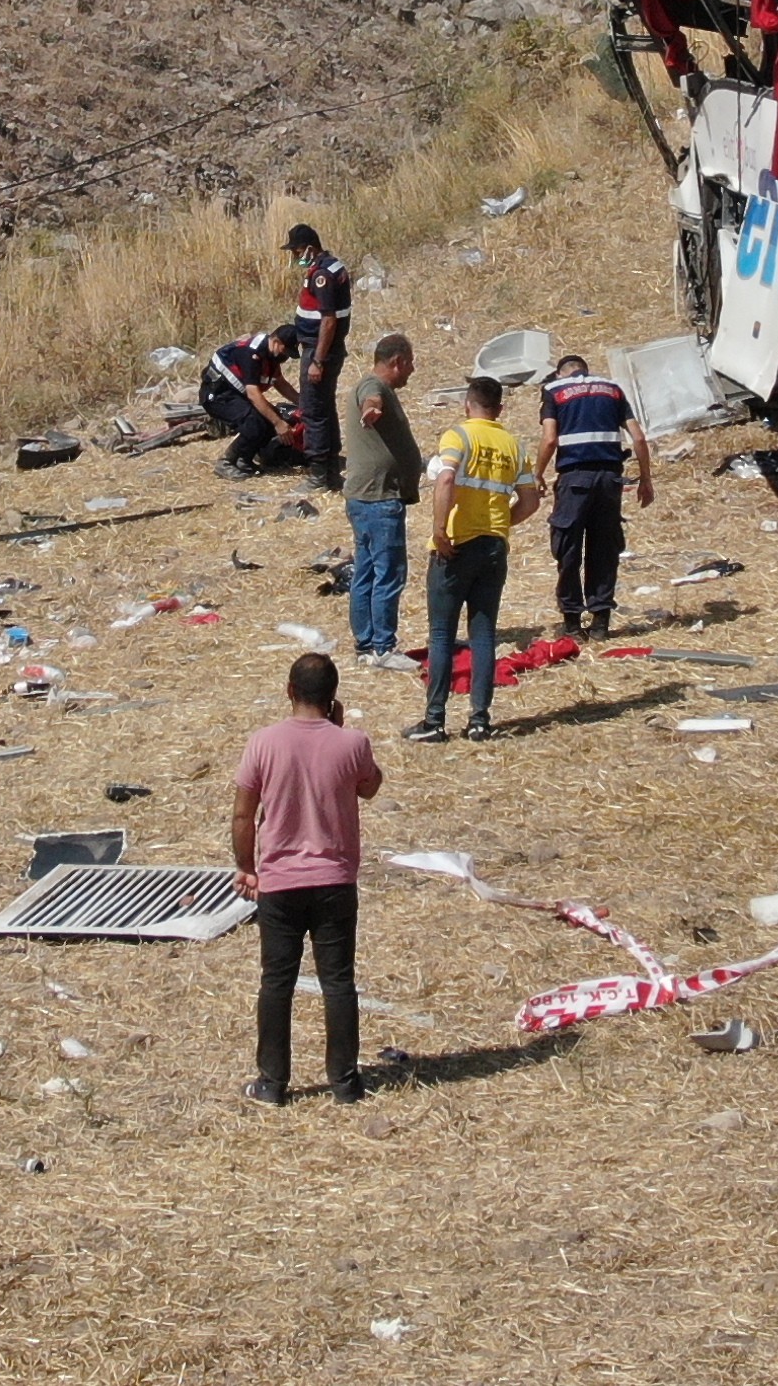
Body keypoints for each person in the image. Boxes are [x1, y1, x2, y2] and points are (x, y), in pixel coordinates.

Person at [231, 649, 380, 1105]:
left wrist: (247, 867)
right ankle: (345, 1081)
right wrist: (338, 729)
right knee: (338, 981)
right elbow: (371, 787)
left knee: (277, 982)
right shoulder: (352, 742)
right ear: (334, 698)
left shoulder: (263, 743)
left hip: (280, 881)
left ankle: (272, 1083)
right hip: (334, 880)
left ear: (290, 692)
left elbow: (242, 814)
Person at [408, 374, 536, 743]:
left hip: (456, 544)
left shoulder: (458, 436)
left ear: (467, 404)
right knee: (483, 636)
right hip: (493, 547)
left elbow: (445, 480)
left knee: (442, 635)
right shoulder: (514, 445)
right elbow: (530, 501)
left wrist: (439, 530)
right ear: (500, 409)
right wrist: (499, 526)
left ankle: (434, 721)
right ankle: (480, 720)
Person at [535, 355, 653, 638]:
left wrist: (536, 474)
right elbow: (638, 438)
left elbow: (550, 439)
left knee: (568, 548)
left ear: (562, 373)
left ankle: (573, 625)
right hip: (609, 479)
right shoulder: (613, 388)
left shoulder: (555, 391)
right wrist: (646, 480)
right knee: (604, 548)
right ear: (585, 370)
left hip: (575, 479)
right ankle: (600, 623)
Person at [341, 333, 418, 664]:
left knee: (367, 570)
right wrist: (371, 410)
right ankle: (383, 647)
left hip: (367, 497)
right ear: (397, 361)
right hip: (378, 499)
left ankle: (366, 645)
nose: (412, 370)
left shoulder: (372, 386)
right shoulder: (374, 388)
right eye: (410, 363)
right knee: (387, 572)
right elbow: (371, 401)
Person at [282, 223, 353, 488]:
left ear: (310, 248)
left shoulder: (321, 274)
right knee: (324, 408)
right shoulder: (333, 265)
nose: (295, 257)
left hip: (320, 350)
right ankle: (331, 470)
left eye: (297, 251)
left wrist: (317, 360)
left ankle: (319, 474)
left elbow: (328, 320)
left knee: (313, 410)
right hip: (324, 349)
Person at [202, 325, 299, 477]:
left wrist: (302, 402)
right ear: (275, 342)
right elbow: (253, 394)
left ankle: (244, 460)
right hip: (218, 396)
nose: (285, 357)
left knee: (267, 421)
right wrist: (278, 423)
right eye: (285, 351)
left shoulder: (271, 356)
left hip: (236, 395)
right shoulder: (252, 353)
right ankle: (226, 462)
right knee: (254, 422)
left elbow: (280, 383)